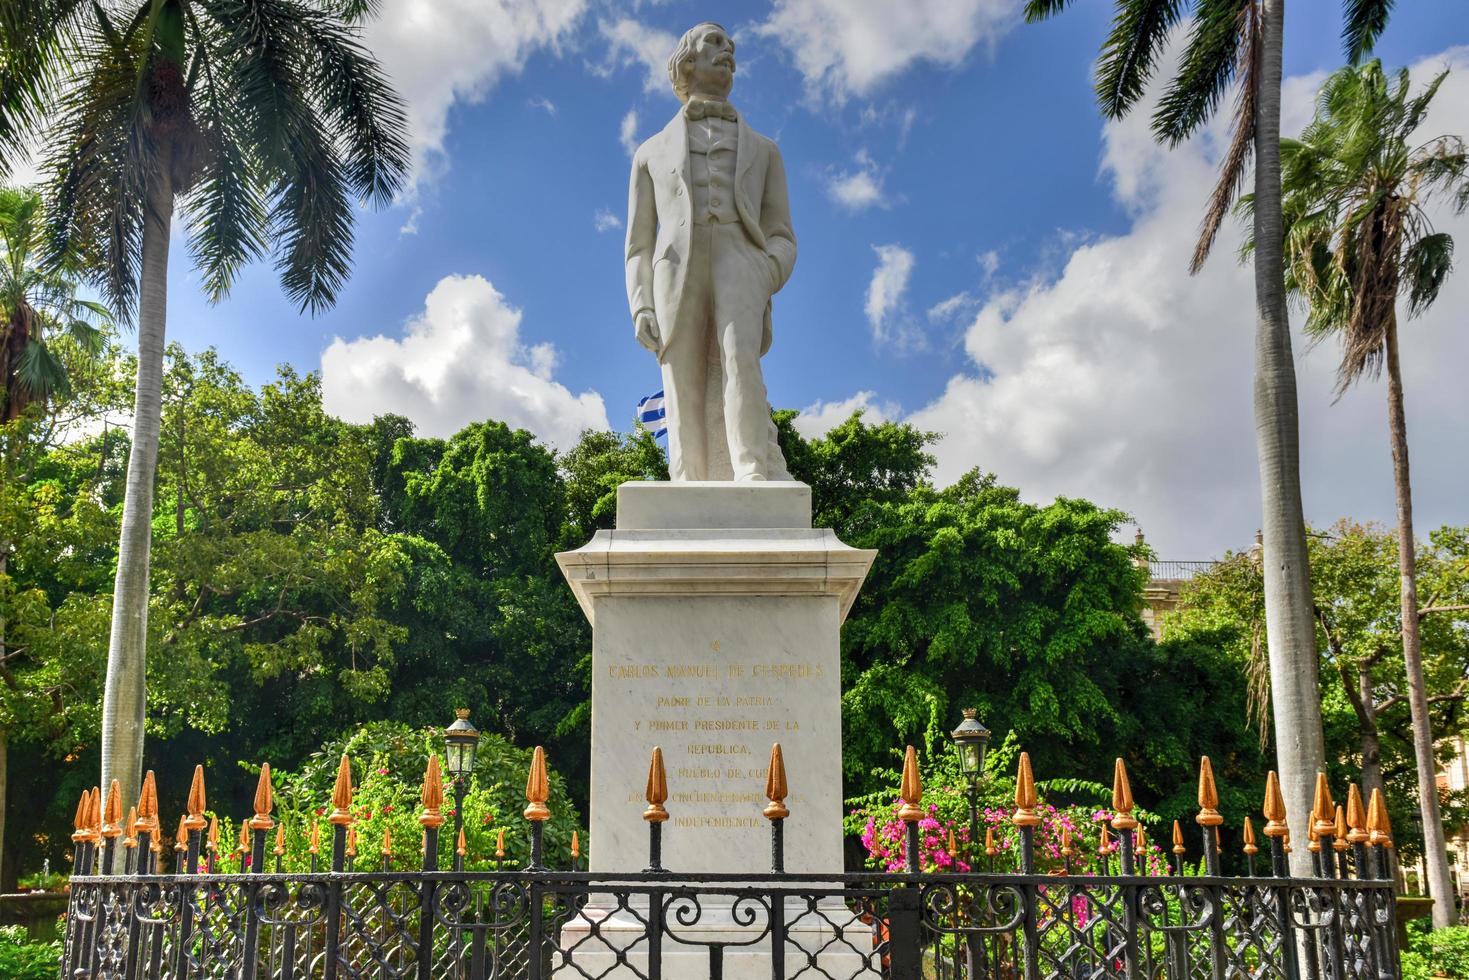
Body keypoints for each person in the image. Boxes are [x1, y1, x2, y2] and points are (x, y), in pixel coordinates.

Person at [624, 21, 795, 481]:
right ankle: (688, 479)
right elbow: (639, 243)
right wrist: (640, 303)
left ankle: (752, 472)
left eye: (729, 44)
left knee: (742, 360)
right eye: (715, 42)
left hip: (741, 258)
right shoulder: (649, 153)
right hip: (674, 268)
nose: (729, 49)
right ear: (688, 62)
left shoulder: (766, 151)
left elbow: (782, 232)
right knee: (682, 376)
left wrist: (767, 269)